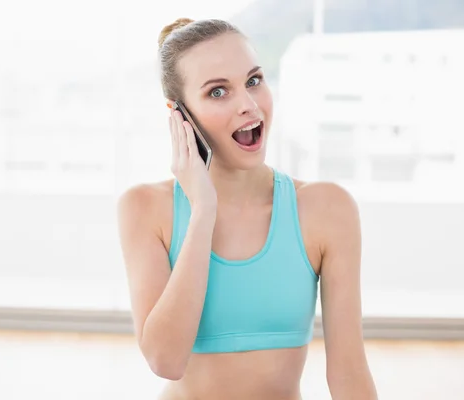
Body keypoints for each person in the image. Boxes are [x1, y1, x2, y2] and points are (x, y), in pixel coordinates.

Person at [116, 17, 378, 400]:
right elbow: (165, 359)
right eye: (218, 92)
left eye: (253, 81)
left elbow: (349, 374)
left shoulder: (326, 209)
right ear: (180, 115)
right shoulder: (144, 208)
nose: (248, 105)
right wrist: (203, 211)